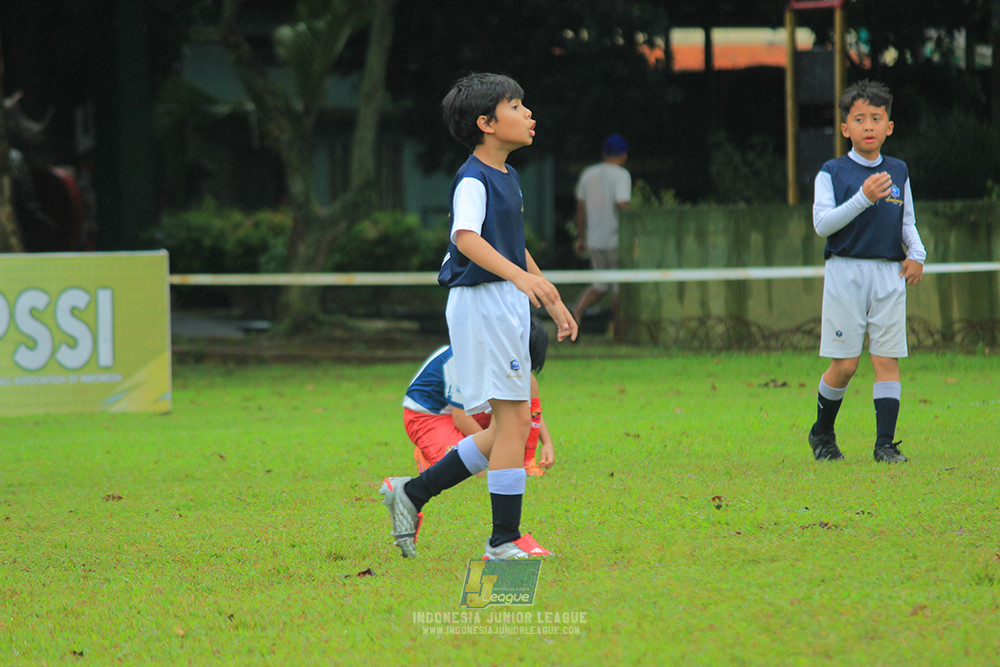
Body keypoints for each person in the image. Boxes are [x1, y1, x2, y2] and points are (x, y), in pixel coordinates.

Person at [379, 72, 577, 560]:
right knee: (512, 426)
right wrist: (521, 279)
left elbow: (509, 243)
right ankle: (503, 539)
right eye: (516, 106)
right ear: (486, 123)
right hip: (482, 302)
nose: (529, 114)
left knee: (502, 429)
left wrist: (546, 290)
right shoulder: (473, 178)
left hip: (502, 300)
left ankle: (413, 493)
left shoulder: (508, 177)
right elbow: (466, 239)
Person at [807, 79, 926, 464]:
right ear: (846, 128)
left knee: (886, 359)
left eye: (877, 118)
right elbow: (823, 225)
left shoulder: (898, 171)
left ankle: (885, 445)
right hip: (845, 273)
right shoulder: (832, 172)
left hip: (888, 275)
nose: (869, 126)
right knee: (845, 366)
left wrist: (918, 254)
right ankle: (822, 432)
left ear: (889, 126)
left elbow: (906, 222)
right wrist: (863, 197)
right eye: (859, 119)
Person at [404, 317, 555, 477]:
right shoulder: (467, 360)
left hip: (472, 411)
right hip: (428, 417)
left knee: (529, 384)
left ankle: (527, 463)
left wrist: (547, 443)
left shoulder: (502, 360)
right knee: (474, 470)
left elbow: (528, 409)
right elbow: (460, 417)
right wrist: (492, 451)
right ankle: (426, 453)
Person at [571, 134, 632, 327]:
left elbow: (580, 208)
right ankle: (618, 331)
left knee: (600, 284)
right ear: (624, 155)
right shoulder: (622, 175)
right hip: (616, 240)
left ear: (604, 153)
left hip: (595, 240)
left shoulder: (588, 174)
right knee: (618, 287)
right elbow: (622, 204)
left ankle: (575, 315)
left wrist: (582, 238)